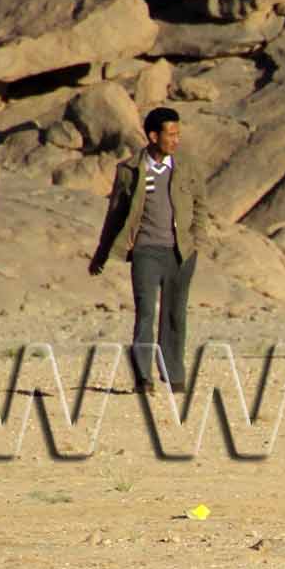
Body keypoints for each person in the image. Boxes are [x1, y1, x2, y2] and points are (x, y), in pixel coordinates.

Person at [88, 107, 205, 396]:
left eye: (179, 133)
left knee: (175, 315)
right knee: (145, 315)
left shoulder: (187, 166)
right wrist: (102, 253)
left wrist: (197, 241)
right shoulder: (129, 170)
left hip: (181, 253)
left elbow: (201, 206)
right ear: (154, 136)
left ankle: (174, 376)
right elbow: (115, 214)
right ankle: (143, 379)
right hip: (145, 253)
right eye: (171, 134)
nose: (177, 139)